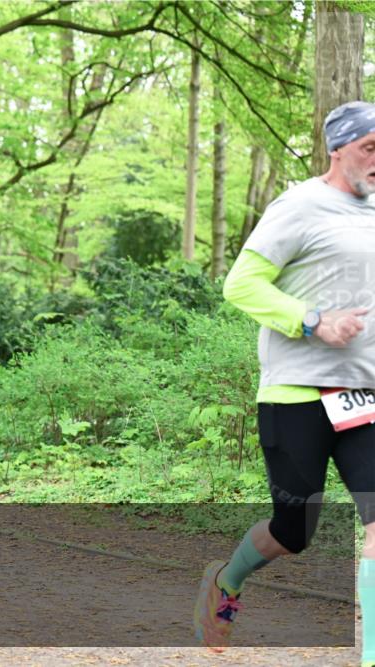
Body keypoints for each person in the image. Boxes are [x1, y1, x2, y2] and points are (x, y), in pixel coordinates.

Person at [194, 101, 375, 658]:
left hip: (364, 394)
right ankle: (227, 580)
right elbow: (241, 284)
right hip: (296, 393)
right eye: (370, 148)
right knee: (293, 531)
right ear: (337, 149)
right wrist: (313, 320)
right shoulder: (299, 206)